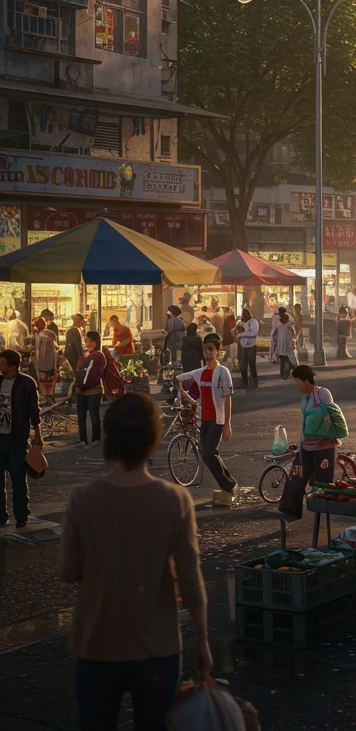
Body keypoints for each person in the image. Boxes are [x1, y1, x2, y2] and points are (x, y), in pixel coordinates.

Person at [60, 393, 211, 729]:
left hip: (96, 643)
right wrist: (202, 640)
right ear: (152, 440)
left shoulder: (81, 501)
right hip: (158, 648)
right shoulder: (175, 500)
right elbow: (191, 580)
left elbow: (68, 573)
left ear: (109, 439)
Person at [177, 335, 237, 494]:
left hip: (218, 420)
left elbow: (227, 399)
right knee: (206, 454)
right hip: (204, 419)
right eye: (205, 349)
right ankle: (229, 484)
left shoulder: (223, 372)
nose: (207, 352)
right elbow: (179, 379)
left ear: (218, 351)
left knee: (209, 452)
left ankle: (229, 485)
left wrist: (227, 425)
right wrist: (188, 398)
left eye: (211, 349)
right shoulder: (200, 372)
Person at [0, 348, 42, 530]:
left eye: (2, 363)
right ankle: (1, 516)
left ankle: (21, 516)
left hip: (17, 438)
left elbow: (34, 411)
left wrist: (37, 436)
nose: (0, 366)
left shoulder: (26, 383)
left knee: (18, 479)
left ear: (12, 365)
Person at [293, 363, 348, 485]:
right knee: (298, 480)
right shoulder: (305, 398)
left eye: (297, 380)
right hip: (306, 445)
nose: (296, 384)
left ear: (306, 380)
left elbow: (333, 415)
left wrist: (338, 433)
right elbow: (305, 421)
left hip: (324, 446)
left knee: (322, 483)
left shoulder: (323, 393)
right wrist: (301, 440)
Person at [75, 333, 106, 448]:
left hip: (94, 390)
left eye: (88, 341)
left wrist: (83, 385)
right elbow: (78, 370)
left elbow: (94, 375)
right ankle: (82, 439)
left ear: (94, 342)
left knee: (94, 415)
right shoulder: (84, 355)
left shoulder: (99, 356)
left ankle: (95, 439)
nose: (86, 343)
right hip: (81, 390)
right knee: (81, 416)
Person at [33, 316, 59, 403]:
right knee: (51, 380)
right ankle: (50, 395)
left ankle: (46, 396)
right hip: (52, 362)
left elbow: (39, 350)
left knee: (43, 381)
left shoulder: (40, 335)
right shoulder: (51, 333)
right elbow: (57, 346)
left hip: (42, 363)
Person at [270, 307, 297, 380]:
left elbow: (274, 327)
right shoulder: (289, 317)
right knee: (290, 354)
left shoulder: (276, 318)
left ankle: (283, 374)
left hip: (280, 339)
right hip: (288, 338)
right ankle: (291, 366)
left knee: (282, 357)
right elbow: (293, 324)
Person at [235, 307, 259, 389]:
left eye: (243, 315)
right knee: (243, 366)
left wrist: (241, 335)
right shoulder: (242, 323)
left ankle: (255, 383)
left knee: (252, 365)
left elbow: (254, 333)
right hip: (242, 346)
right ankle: (245, 383)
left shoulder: (253, 322)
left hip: (251, 346)